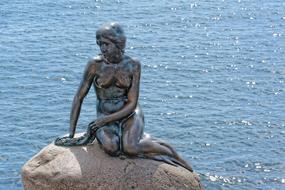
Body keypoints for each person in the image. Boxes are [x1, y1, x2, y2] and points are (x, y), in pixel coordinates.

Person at [55, 22, 193, 172]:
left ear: (118, 43)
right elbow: (79, 98)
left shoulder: (133, 65)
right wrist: (71, 133)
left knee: (130, 148)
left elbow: (132, 103)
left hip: (129, 114)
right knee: (111, 148)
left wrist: (103, 121)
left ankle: (172, 153)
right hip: (105, 114)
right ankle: (144, 142)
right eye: (99, 44)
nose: (102, 48)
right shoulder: (95, 65)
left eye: (106, 44)